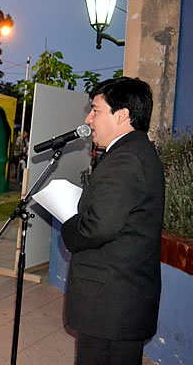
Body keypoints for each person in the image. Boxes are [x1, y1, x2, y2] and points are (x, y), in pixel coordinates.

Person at [61, 77, 165, 365]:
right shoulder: (134, 152)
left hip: (110, 306)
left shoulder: (126, 159)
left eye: (96, 110)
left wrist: (69, 222)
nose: (88, 118)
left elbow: (98, 226)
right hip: (118, 302)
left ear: (122, 116)